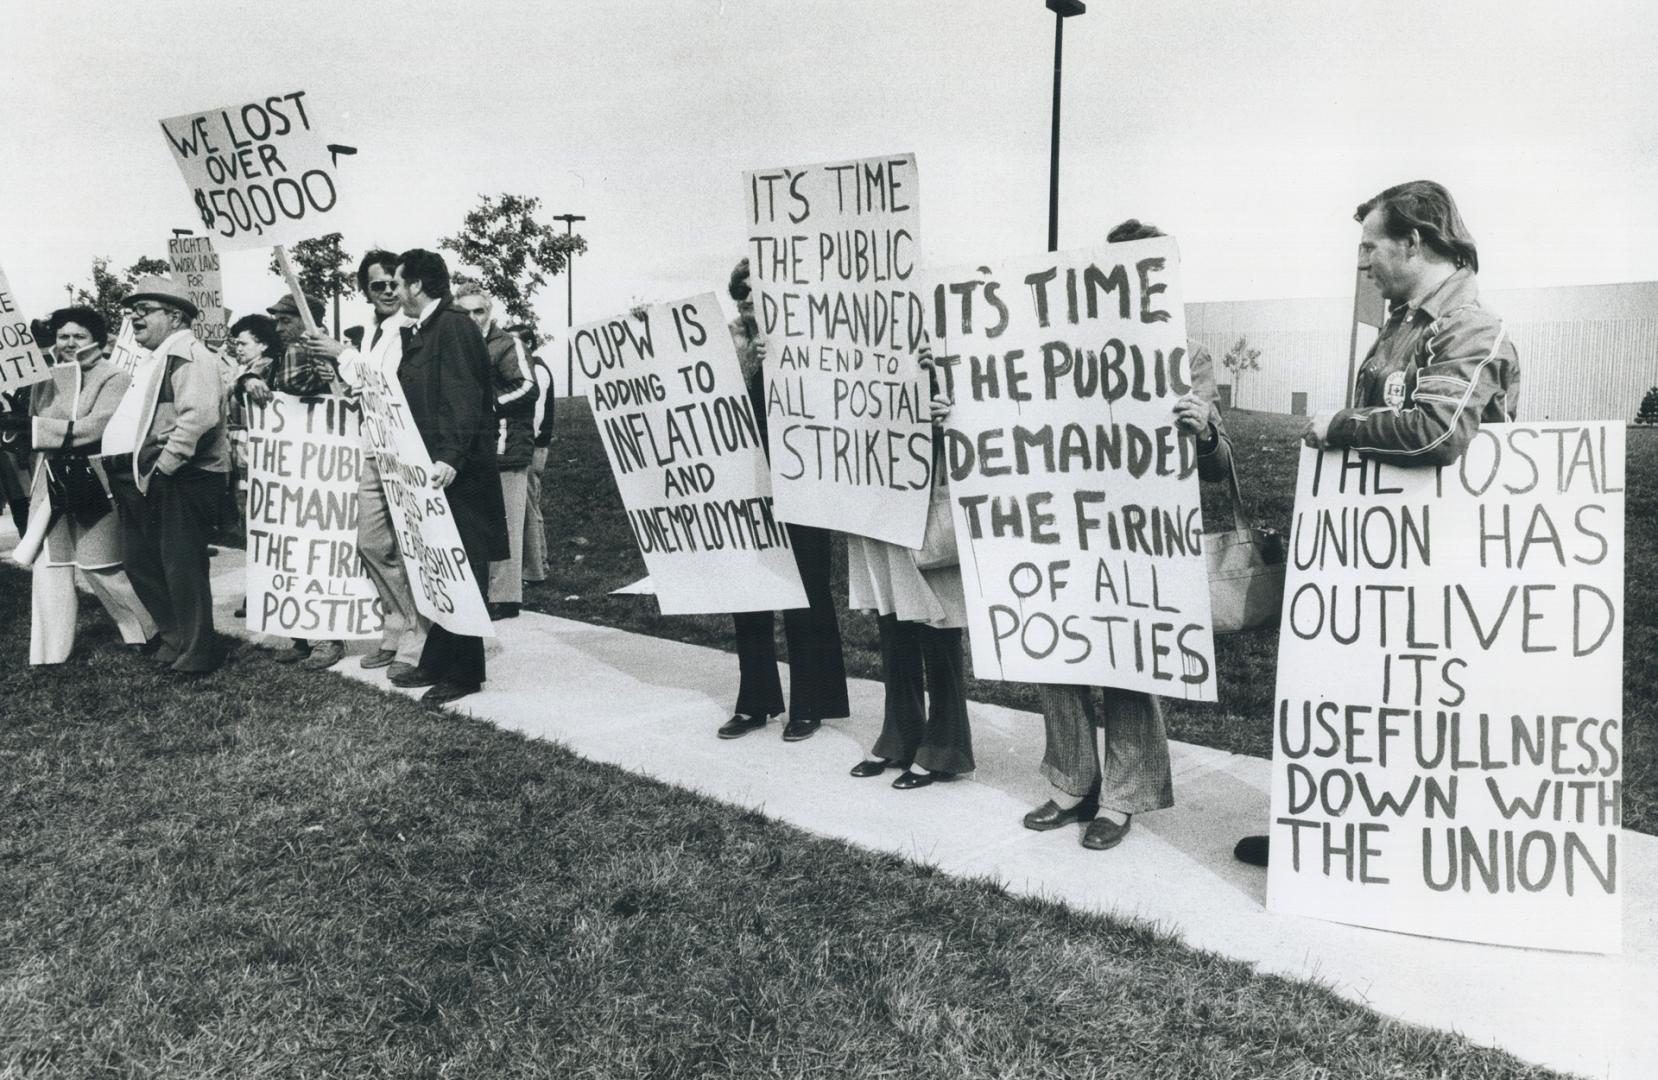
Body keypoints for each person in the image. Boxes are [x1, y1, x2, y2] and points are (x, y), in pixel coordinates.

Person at [1234, 179, 1521, 868]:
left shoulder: (1470, 327)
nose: (1362, 263)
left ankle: (1406, 857)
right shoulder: (1401, 325)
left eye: (1371, 247)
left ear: (1414, 242)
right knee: (1358, 701)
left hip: (1439, 561)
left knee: (1416, 711)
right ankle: (1329, 837)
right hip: (1377, 559)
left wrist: (1340, 425)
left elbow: (1438, 431)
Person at [1020, 219, 1235, 851]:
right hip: (1066, 524)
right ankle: (1070, 780)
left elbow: (1220, 465)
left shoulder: (1185, 355)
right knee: (1055, 645)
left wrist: (1205, 431)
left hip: (1139, 532)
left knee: (1127, 653)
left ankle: (1123, 793)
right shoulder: (1059, 346)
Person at [718, 259, 850, 742]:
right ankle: (756, 701)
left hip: (803, 485)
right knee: (748, 592)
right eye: (740, 294)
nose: (746, 300)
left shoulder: (808, 339)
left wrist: (781, 362)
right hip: (747, 486)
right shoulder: (727, 342)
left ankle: (810, 702)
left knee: (806, 593)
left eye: (754, 292)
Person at [846, 337, 972, 788]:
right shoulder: (848, 339)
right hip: (877, 491)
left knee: (936, 621)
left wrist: (941, 388)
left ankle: (945, 744)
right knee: (892, 620)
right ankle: (899, 734)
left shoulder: (944, 339)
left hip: (925, 495)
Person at [0, 306, 156, 664]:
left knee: (100, 566)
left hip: (91, 480)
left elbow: (96, 427)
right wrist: (16, 426)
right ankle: (49, 654)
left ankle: (146, 632)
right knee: (50, 565)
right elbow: (30, 426)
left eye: (78, 336)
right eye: (62, 336)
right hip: (48, 480)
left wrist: (34, 429)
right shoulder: (44, 377)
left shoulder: (113, 376)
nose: (69, 343)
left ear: (97, 340)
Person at [387, 249, 509, 705]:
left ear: (417, 285)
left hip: (457, 475)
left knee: (462, 570)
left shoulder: (452, 327)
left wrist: (450, 457)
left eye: (399, 284)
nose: (396, 293)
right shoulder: (425, 329)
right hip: (434, 471)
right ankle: (438, 660)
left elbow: (462, 398)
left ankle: (464, 672)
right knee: (438, 566)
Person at [305, 250, 428, 677]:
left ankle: (416, 637)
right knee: (372, 544)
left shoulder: (412, 327)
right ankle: (396, 628)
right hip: (372, 449)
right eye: (379, 285)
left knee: (408, 549)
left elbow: (388, 381)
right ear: (366, 291)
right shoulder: (371, 331)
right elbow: (366, 388)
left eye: (395, 282)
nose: (390, 291)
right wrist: (342, 379)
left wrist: (342, 354)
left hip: (403, 452)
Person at [104, 276, 230, 677]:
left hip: (182, 475)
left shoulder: (188, 355)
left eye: (144, 310)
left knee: (181, 565)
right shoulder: (156, 356)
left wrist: (165, 465)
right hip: (149, 474)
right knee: (140, 560)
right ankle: (175, 637)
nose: (134, 317)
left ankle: (198, 649)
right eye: (132, 310)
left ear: (175, 316)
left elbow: (199, 416)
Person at [237, 292, 348, 671]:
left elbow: (339, 393)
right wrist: (250, 380)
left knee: (319, 556)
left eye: (286, 320)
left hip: (324, 473)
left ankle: (327, 639)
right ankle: (301, 635)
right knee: (290, 554)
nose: (279, 327)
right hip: (288, 474)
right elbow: (250, 378)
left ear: (306, 319)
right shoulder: (278, 356)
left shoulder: (331, 352)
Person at [453, 284, 536, 620]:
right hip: (474, 450)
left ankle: (506, 598)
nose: (473, 318)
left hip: (506, 446)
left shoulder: (506, 343)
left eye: (479, 311)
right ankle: (486, 592)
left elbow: (528, 386)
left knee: (508, 523)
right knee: (482, 523)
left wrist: (487, 404)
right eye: (465, 312)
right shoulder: (459, 345)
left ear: (490, 313)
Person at [508, 322, 553, 585]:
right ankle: (537, 564)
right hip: (530, 444)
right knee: (527, 503)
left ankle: (539, 565)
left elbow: (535, 416)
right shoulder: (530, 369)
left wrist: (526, 442)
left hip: (532, 446)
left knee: (530, 504)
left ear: (530, 345)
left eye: (518, 343)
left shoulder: (537, 371)